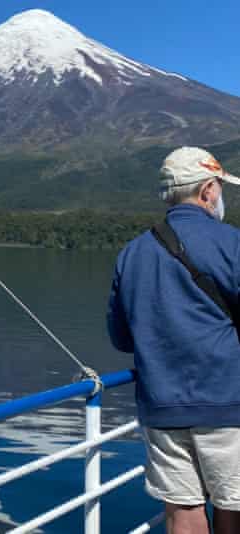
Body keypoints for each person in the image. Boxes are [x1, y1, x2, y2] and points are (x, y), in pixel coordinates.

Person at [107, 147, 240, 534]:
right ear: (208, 191)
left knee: (182, 511)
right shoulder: (231, 243)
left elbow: (119, 337)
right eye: (219, 188)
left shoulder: (132, 253)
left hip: (162, 406)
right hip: (228, 404)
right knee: (234, 508)